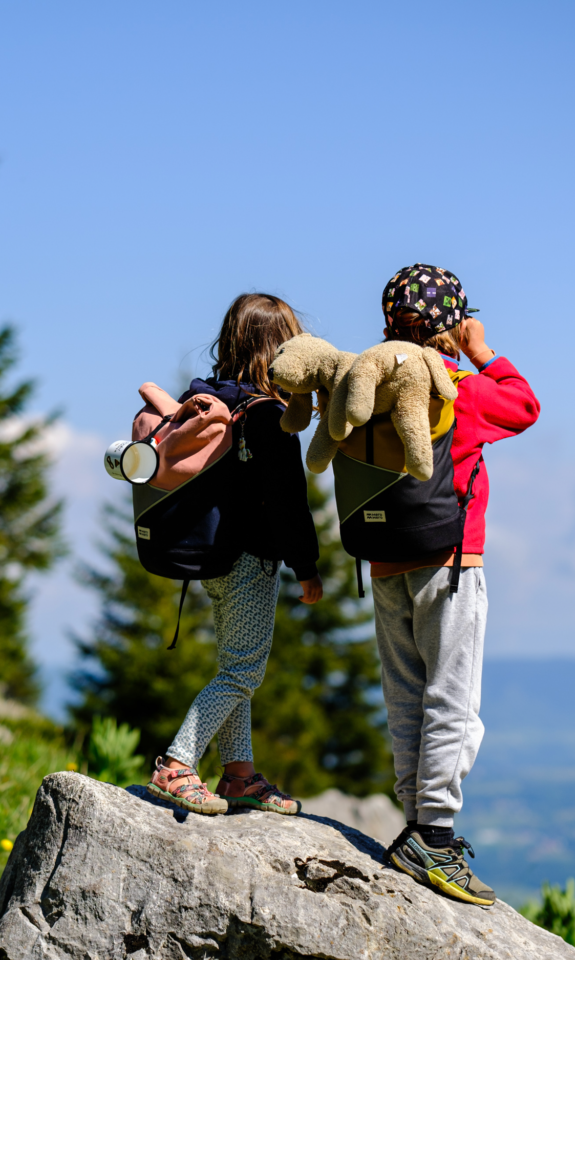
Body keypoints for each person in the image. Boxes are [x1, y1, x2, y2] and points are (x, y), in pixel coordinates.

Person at [369, 265, 540, 906]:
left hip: (383, 557)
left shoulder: (375, 380)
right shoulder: (460, 387)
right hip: (449, 558)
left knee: (406, 694)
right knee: (454, 702)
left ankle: (416, 824)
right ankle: (434, 838)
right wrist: (483, 351)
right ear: (453, 321)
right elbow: (524, 405)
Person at [145, 293, 323, 817]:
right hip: (250, 559)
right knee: (243, 672)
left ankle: (239, 775)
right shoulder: (270, 415)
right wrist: (306, 566)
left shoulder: (205, 400)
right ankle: (177, 763)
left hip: (210, 555)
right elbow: (288, 500)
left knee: (233, 664)